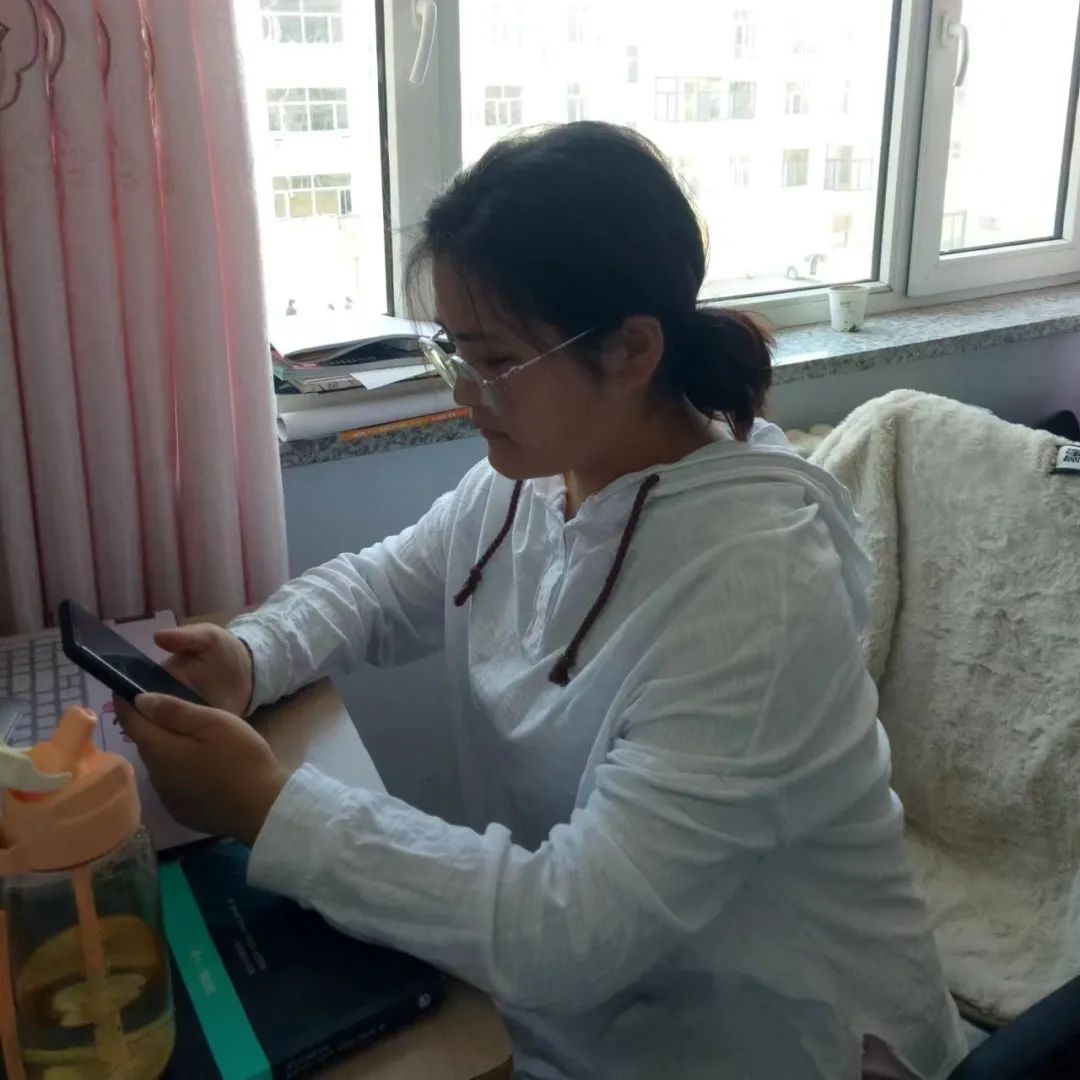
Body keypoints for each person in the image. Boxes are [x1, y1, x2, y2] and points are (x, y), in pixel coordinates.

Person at [118, 123, 966, 1079]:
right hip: (587, 1004)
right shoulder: (532, 481)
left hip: (773, 1036)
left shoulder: (755, 587)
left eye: (494, 362)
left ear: (631, 349)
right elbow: (380, 586)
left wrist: (272, 809)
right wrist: (251, 653)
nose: (464, 396)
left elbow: (571, 930)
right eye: (453, 353)